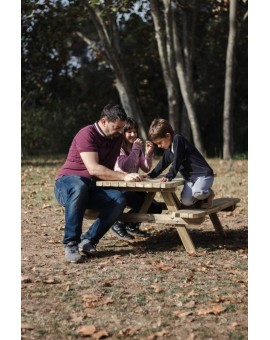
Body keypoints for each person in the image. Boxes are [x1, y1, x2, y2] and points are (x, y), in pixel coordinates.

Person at [54, 103, 143, 263]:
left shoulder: (115, 138)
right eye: (116, 128)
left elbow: (107, 171)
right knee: (79, 186)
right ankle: (71, 243)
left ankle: (89, 240)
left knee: (118, 199)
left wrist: (130, 175)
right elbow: (94, 169)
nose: (119, 132)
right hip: (67, 183)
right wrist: (123, 177)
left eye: (122, 128)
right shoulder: (86, 134)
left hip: (92, 187)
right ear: (103, 121)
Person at [112, 117, 162, 240]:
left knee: (156, 207)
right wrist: (135, 149)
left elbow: (145, 168)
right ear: (123, 133)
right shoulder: (120, 149)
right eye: (129, 132)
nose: (133, 134)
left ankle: (132, 225)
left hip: (134, 187)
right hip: (121, 188)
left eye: (135, 131)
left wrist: (148, 154)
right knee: (144, 204)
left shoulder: (136, 149)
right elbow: (126, 166)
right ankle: (119, 224)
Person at [146, 118, 215, 209]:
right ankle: (201, 198)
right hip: (190, 179)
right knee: (186, 201)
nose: (159, 146)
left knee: (198, 192)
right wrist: (151, 175)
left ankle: (208, 194)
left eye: (159, 143)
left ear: (168, 136)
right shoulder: (169, 149)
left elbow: (176, 161)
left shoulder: (178, 140)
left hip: (203, 175)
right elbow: (162, 164)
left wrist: (169, 176)